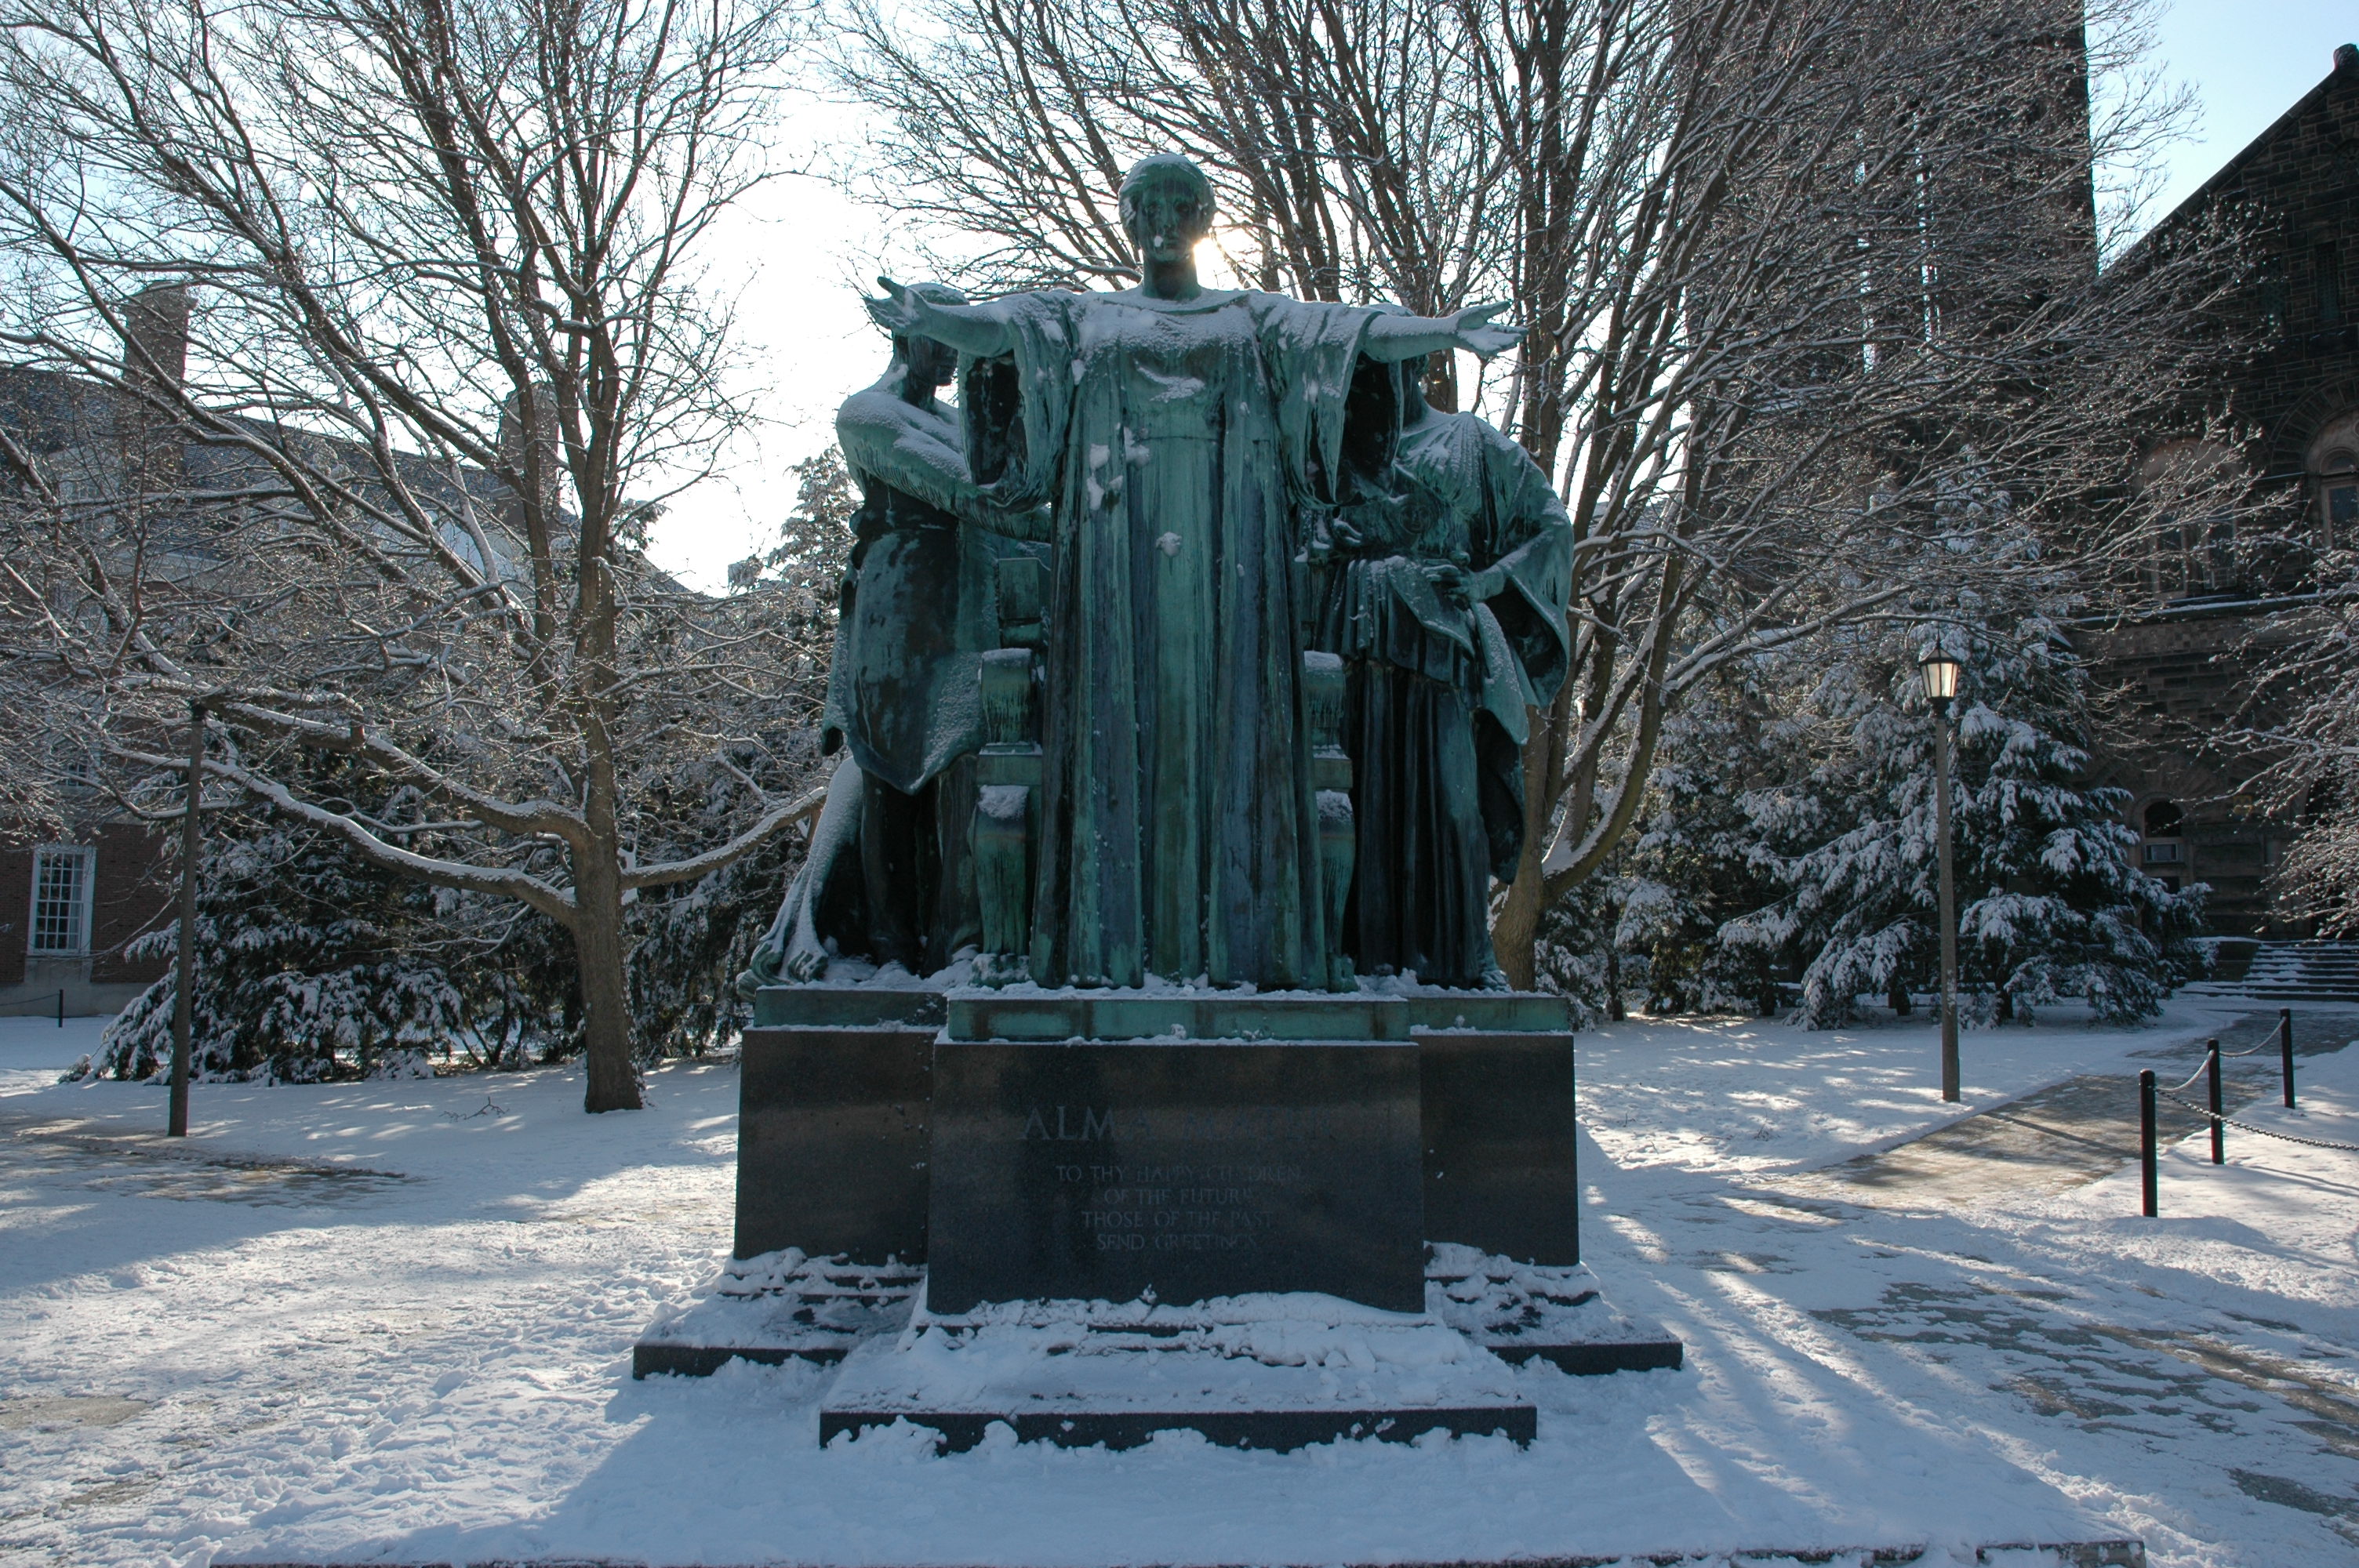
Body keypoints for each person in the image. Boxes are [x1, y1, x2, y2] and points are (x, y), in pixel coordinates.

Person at [866, 154, 1523, 989]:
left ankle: (1245, 952)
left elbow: (1346, 335)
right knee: (1115, 727)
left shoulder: (1250, 318)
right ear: (1127, 219)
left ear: (1207, 218)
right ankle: (1110, 952)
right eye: (1146, 207)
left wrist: (1443, 329)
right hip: (1115, 561)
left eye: (1181, 206)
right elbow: (1005, 330)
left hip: (1231, 562)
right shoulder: (1086, 317)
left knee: (1233, 728)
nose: (1163, 223)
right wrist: (939, 320)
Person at [741, 284, 1045, 990]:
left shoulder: (955, 419)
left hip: (967, 603)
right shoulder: (868, 415)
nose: (954, 353)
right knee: (887, 770)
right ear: (908, 336)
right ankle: (888, 948)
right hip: (898, 609)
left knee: (968, 757)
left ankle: (958, 945)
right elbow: (968, 491)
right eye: (943, 336)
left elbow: (1003, 483)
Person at [1314, 323, 1572, 986]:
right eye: (1361, 370)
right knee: (1360, 798)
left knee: (1452, 799)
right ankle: (1363, 959)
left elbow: (1550, 526)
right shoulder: (1335, 452)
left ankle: (1462, 957)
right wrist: (1325, 543)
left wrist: (1489, 581)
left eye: (1384, 366)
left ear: (1416, 367)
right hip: (1355, 633)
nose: (1370, 383)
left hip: (1439, 642)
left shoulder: (1469, 440)